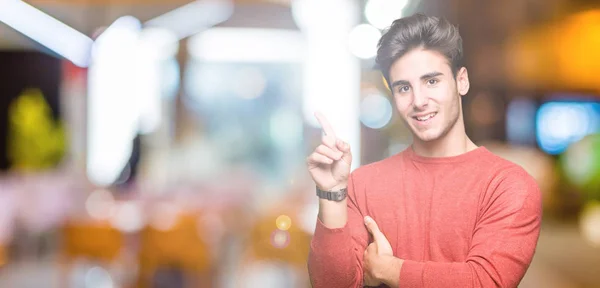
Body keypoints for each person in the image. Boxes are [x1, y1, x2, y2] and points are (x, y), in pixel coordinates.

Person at [306, 14, 541, 288]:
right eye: (404, 88)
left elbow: (486, 282)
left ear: (461, 81)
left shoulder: (508, 186)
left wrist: (390, 270)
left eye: (431, 81)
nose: (419, 101)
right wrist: (332, 194)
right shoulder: (362, 184)